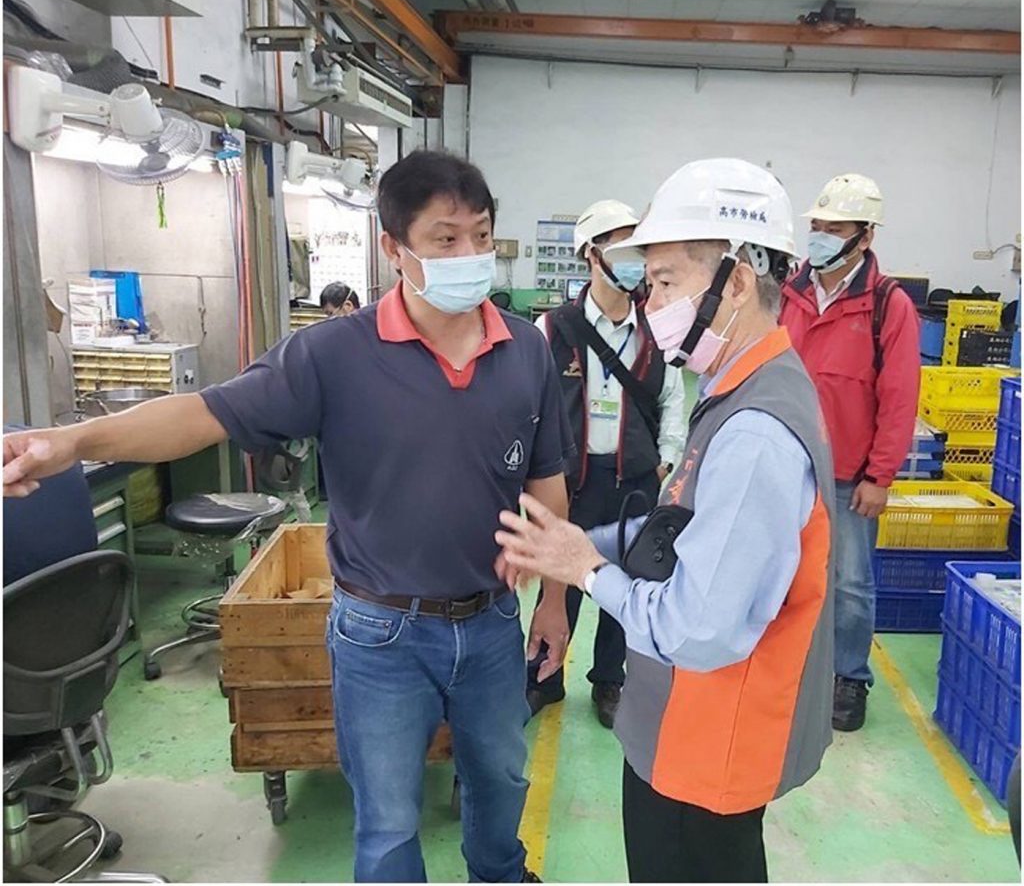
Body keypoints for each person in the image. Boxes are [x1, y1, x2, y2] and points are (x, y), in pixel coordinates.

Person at [4, 150, 575, 884]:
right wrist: (75, 441)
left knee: (501, 783)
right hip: (381, 633)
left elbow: (547, 481)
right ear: (394, 248)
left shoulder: (525, 348)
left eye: (481, 236)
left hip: (492, 623)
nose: (470, 254)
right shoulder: (332, 354)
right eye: (445, 238)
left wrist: (554, 599)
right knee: (388, 818)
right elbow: (203, 413)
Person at [494, 159, 836, 883]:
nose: (651, 305)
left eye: (667, 282)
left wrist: (588, 571)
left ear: (736, 282)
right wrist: (575, 544)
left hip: (706, 748)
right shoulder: (739, 384)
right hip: (685, 728)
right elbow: (681, 524)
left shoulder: (756, 432)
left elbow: (696, 629)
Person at [527, 199, 687, 728]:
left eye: (640, 250)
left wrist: (665, 461)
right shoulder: (553, 329)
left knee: (625, 584)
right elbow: (532, 404)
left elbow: (673, 400)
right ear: (591, 255)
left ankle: (608, 680)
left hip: (635, 480)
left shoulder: (658, 327)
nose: (636, 262)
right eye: (623, 249)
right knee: (560, 577)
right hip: (570, 482)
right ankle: (544, 677)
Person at [780, 173, 920, 732]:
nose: (819, 236)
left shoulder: (888, 305)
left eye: (833, 229)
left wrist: (880, 476)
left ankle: (848, 677)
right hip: (787, 467)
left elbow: (900, 396)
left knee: (850, 586)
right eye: (816, 225)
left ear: (865, 237)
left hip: (847, 476)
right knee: (784, 574)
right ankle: (794, 671)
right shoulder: (790, 292)